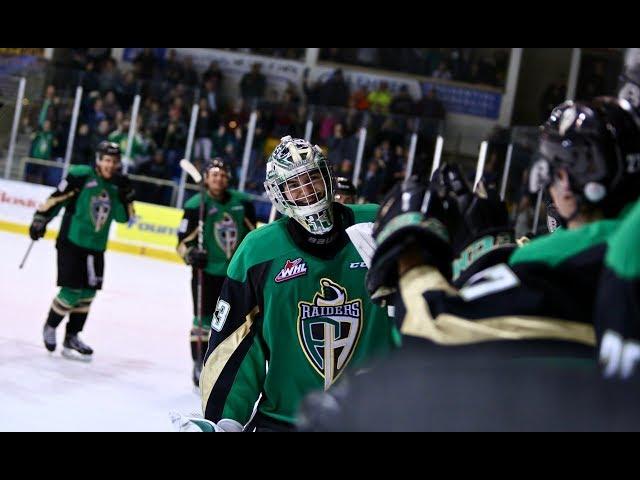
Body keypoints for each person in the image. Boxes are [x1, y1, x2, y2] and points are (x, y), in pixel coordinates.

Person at [297, 96, 640, 431]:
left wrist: (411, 252)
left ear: (565, 179)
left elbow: (431, 326)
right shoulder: (616, 243)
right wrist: (490, 248)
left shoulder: (572, 261)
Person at [197, 136, 399, 432]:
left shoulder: (377, 226)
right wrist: (223, 420)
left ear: (327, 176)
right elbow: (234, 344)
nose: (306, 191)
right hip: (284, 421)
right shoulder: (258, 251)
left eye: (312, 178)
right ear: (278, 194)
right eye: (293, 184)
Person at [29, 142, 135, 361]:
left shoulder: (118, 185)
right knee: (71, 291)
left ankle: (72, 336)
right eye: (106, 160)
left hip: (96, 247)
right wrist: (40, 219)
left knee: (88, 294)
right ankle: (50, 326)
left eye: (114, 161)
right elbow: (58, 198)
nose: (110, 165)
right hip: (71, 242)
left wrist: (126, 195)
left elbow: (123, 218)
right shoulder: (81, 175)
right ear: (98, 160)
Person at [176, 158, 257, 387]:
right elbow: (181, 242)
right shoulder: (195, 205)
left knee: (233, 321)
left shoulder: (243, 203)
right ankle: (199, 363)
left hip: (235, 274)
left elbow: (254, 237)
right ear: (206, 178)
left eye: (222, 174)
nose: (218, 179)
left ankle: (225, 363)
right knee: (202, 320)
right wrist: (191, 255)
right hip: (206, 273)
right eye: (214, 174)